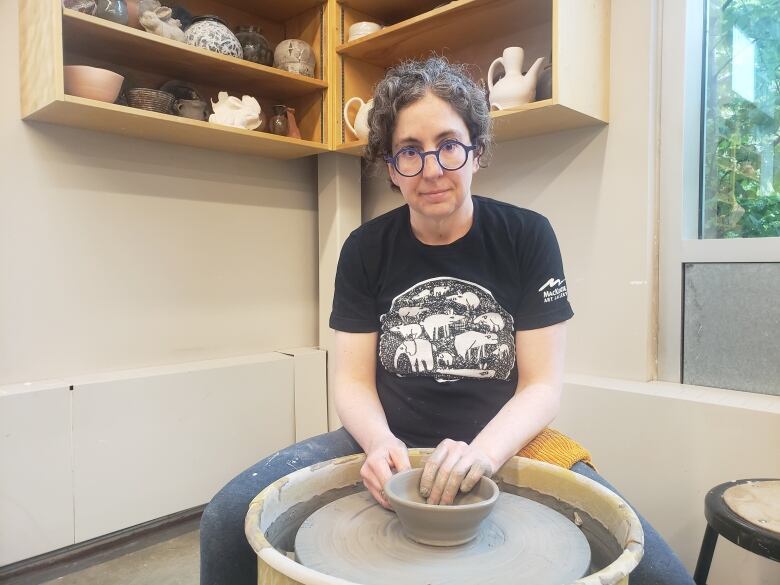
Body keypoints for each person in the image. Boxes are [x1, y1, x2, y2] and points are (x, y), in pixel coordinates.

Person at [200, 57, 695, 585]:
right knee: (226, 519)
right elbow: (351, 382)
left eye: (448, 145)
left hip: (506, 442)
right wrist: (378, 443)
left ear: (476, 151)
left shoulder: (528, 236)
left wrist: (481, 454)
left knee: (662, 576)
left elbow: (542, 387)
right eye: (409, 151)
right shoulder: (365, 248)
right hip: (389, 437)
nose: (431, 168)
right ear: (391, 167)